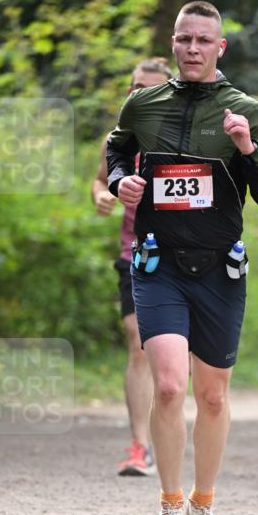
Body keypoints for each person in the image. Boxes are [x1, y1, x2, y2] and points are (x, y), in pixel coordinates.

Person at [106, 0, 258, 515]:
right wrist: (120, 183)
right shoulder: (145, 103)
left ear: (220, 47)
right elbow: (116, 149)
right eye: (184, 39)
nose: (191, 49)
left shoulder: (244, 109)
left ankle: (203, 506)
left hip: (218, 271)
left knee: (211, 396)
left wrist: (246, 149)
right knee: (168, 385)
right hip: (158, 265)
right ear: (174, 40)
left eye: (203, 41)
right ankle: (168, 505)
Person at [92, 59, 173, 475]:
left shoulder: (186, 137)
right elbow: (100, 178)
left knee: (173, 359)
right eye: (133, 87)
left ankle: (171, 435)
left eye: (149, 89)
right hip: (136, 255)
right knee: (138, 342)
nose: (137, 95)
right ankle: (139, 446)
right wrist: (102, 196)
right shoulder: (119, 137)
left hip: (182, 259)